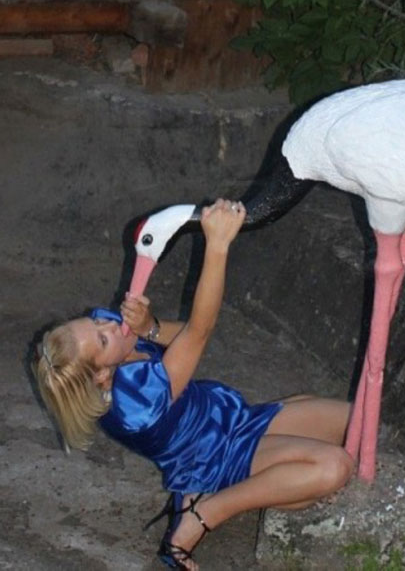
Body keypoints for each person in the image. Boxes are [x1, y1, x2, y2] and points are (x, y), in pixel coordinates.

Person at [33, 198, 353, 570]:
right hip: (212, 460)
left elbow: (175, 336)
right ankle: (203, 512)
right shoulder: (138, 405)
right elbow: (199, 332)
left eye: (95, 322)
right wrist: (216, 246)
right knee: (336, 467)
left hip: (232, 420)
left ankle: (271, 485)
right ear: (101, 375)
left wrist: (148, 326)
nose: (108, 324)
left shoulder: (113, 344)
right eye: (102, 338)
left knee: (355, 421)